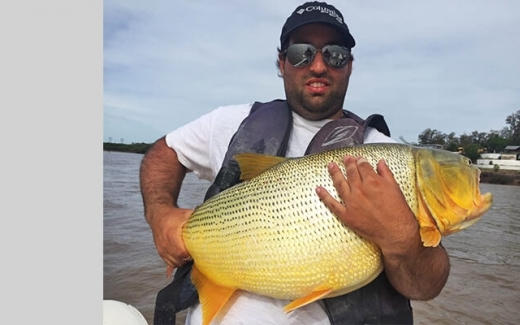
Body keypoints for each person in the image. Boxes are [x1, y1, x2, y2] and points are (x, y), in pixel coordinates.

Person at [139, 2, 451, 324]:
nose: (318, 66)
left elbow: (427, 286)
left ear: (350, 65)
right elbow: (165, 152)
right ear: (282, 62)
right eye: (302, 52)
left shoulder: (385, 155)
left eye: (335, 53)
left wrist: (401, 237)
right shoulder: (231, 122)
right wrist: (160, 213)